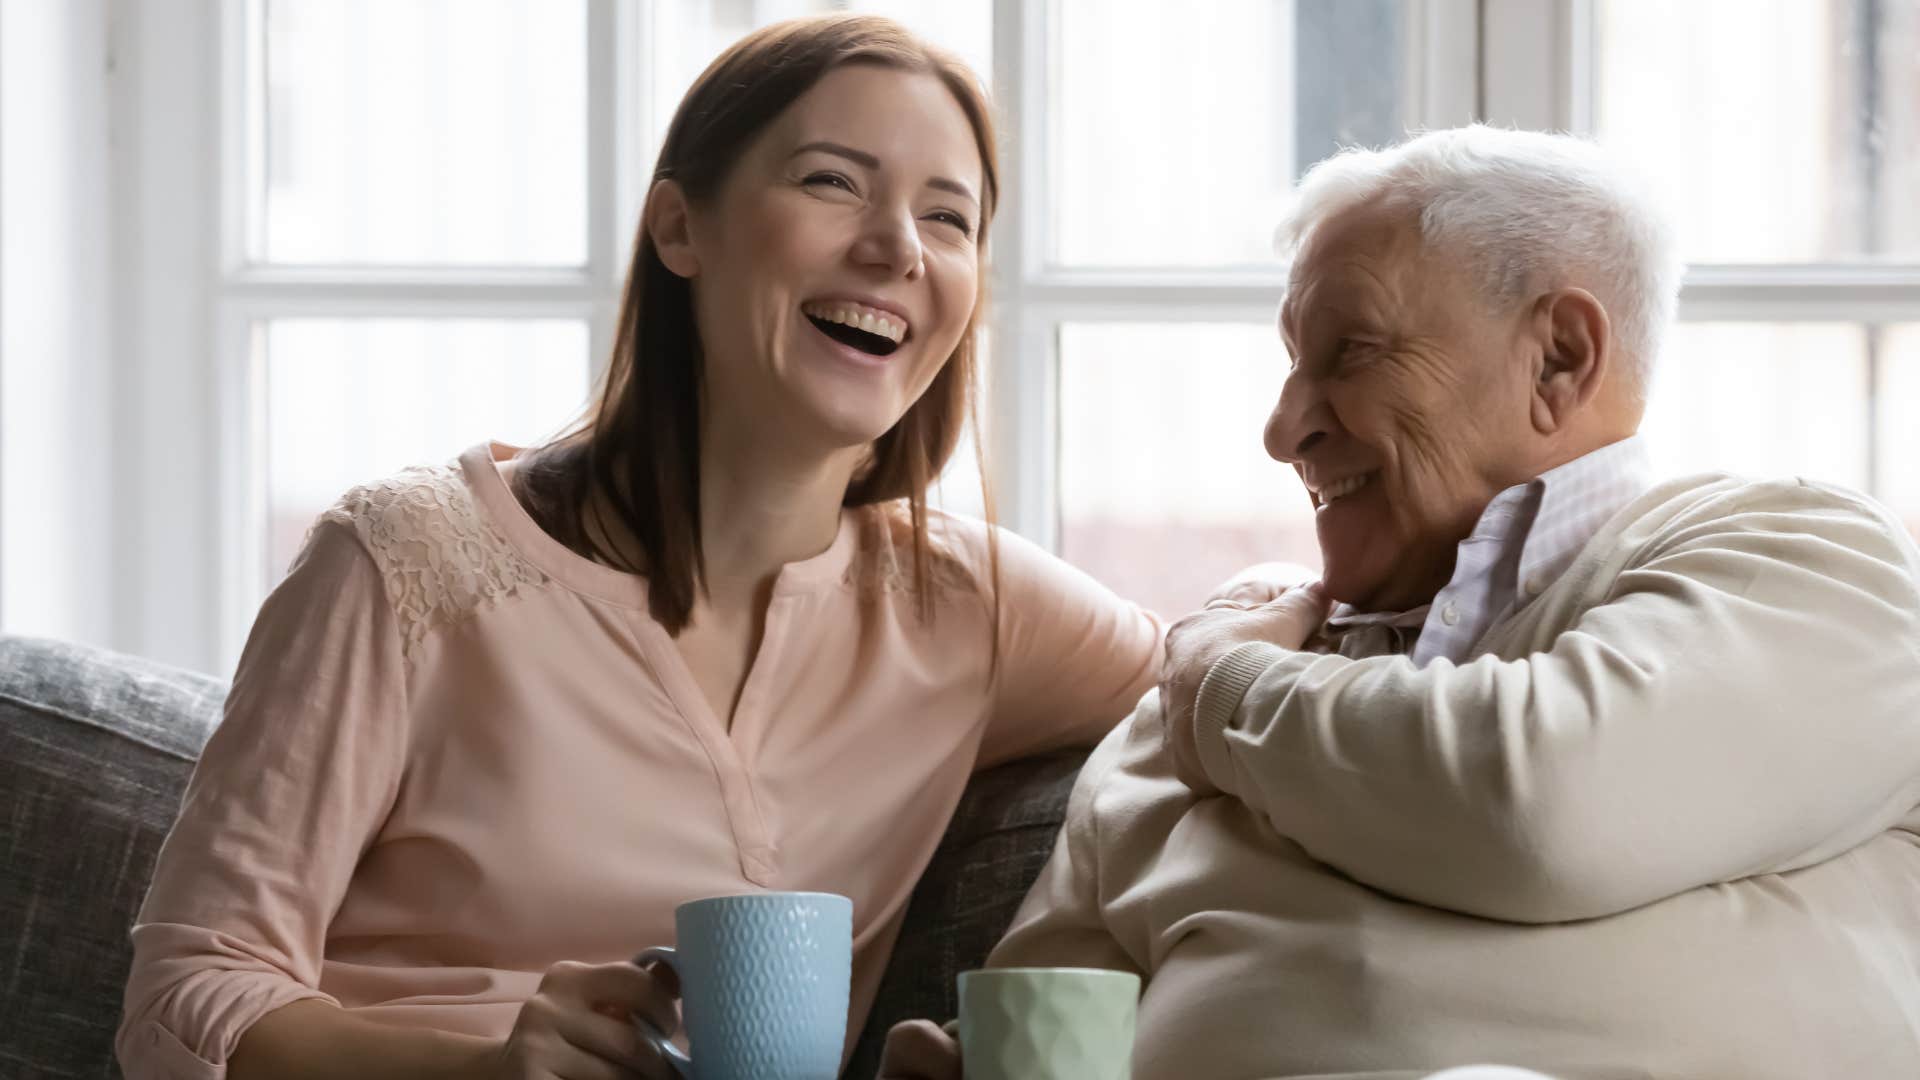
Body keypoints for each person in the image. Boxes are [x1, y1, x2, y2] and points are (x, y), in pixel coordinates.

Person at [116, 15, 1167, 1080]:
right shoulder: (402, 564)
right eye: (832, 182)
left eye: (950, 218)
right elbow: (187, 998)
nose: (898, 246)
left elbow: (1234, 678)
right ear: (679, 228)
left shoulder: (969, 607)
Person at [881, 126, 1920, 1079]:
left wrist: (1221, 688)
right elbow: (1053, 1007)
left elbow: (1542, 808)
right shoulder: (1198, 703)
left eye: (1353, 353)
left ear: (1559, 359)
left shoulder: (1808, 561)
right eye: (1294, 366)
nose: (1283, 430)